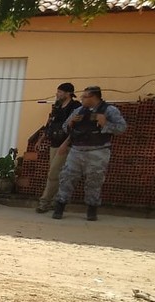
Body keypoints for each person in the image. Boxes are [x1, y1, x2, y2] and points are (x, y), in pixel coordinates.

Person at [52, 86, 127, 221]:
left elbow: (122, 128)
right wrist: (71, 123)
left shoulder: (109, 111)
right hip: (77, 150)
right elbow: (65, 127)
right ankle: (60, 207)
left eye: (85, 97)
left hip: (98, 151)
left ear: (93, 97)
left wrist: (105, 124)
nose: (82, 99)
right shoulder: (79, 110)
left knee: (94, 181)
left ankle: (92, 210)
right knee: (67, 177)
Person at [35, 83, 81, 213]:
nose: (57, 94)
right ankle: (56, 201)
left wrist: (66, 144)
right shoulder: (57, 106)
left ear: (68, 93)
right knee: (58, 174)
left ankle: (44, 202)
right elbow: (50, 124)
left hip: (65, 145)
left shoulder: (75, 107)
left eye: (60, 92)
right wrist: (41, 139)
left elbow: (75, 128)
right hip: (54, 144)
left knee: (53, 174)